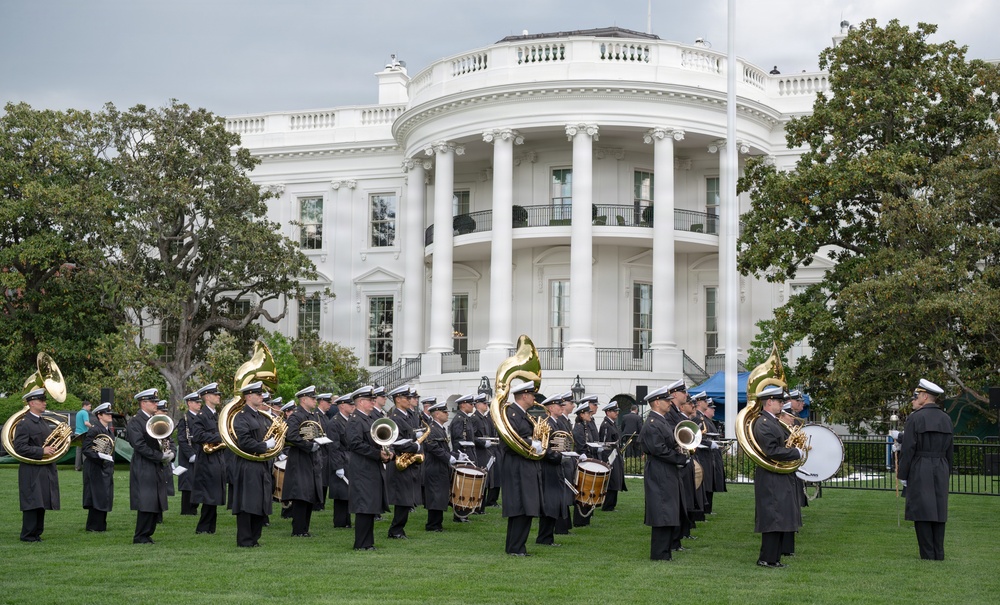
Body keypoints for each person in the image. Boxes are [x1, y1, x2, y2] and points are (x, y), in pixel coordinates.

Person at [501, 380, 559, 556]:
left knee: (524, 507)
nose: (534, 398)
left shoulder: (524, 415)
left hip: (525, 464)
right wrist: (535, 444)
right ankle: (516, 548)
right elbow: (511, 439)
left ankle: (515, 547)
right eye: (532, 394)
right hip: (518, 465)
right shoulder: (511, 414)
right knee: (520, 507)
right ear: (524, 395)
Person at [898, 378, 953, 560]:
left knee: (922, 509)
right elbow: (950, 449)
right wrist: (947, 470)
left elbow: (908, 449)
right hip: (941, 464)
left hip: (921, 464)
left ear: (924, 396)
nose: (915, 399)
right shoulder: (946, 418)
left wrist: (903, 474)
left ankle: (927, 554)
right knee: (938, 509)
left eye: (917, 395)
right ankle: (939, 552)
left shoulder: (915, 418)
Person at [753, 384, 805, 568]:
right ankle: (767, 558)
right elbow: (771, 450)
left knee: (780, 515)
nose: (782, 404)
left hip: (779, 474)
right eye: (779, 401)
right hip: (771, 476)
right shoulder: (764, 423)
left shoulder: (773, 421)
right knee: (773, 516)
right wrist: (796, 453)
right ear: (769, 402)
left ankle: (773, 558)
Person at [640, 385, 688, 561]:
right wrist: (680, 458)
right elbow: (659, 450)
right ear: (657, 402)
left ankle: (665, 551)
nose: (669, 403)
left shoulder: (662, 420)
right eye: (666, 401)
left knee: (668, 510)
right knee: (662, 510)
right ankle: (659, 553)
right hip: (659, 471)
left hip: (666, 470)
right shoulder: (653, 423)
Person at [230, 381, 276, 547]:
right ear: (249, 396)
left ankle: (254, 538)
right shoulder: (241, 416)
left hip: (261, 463)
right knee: (247, 503)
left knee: (259, 502)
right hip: (248, 464)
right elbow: (244, 441)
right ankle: (245, 539)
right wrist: (265, 446)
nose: (261, 396)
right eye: (258, 394)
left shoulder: (259, 416)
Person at [13, 388, 61, 542]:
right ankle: (28, 535)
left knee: (42, 501)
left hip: (44, 468)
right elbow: (19, 447)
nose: (44, 403)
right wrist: (41, 451)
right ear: (32, 403)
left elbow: (48, 443)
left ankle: (36, 533)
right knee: (32, 501)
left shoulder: (42, 422)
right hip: (31, 468)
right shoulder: (24, 423)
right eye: (41, 401)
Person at [347, 386, 391, 551]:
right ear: (360, 402)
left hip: (371, 468)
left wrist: (387, 451)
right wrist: (377, 454)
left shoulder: (369, 419)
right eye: (370, 400)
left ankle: (367, 542)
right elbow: (355, 444)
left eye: (373, 400)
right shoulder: (355, 420)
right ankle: (361, 543)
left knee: (370, 506)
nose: (373, 402)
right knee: (364, 506)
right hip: (362, 469)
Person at [127, 388, 171, 544]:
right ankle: (140, 535)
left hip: (155, 464)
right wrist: (160, 456)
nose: (156, 404)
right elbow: (138, 445)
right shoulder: (135, 421)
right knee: (146, 501)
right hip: (143, 464)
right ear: (143, 403)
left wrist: (166, 451)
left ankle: (147, 534)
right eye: (152, 401)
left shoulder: (153, 419)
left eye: (156, 401)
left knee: (155, 500)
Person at [283, 385, 325, 537]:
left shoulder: (312, 416)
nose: (315, 400)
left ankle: (304, 529)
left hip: (311, 458)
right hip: (300, 458)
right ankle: (298, 529)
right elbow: (291, 436)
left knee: (309, 494)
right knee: (301, 494)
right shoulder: (296, 416)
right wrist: (309, 446)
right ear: (304, 399)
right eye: (313, 398)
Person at [386, 384, 423, 539]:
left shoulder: (408, 415)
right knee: (403, 499)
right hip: (400, 460)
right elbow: (395, 440)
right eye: (407, 398)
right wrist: (413, 445)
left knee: (407, 499)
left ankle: (398, 529)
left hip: (409, 461)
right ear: (398, 399)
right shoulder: (395, 418)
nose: (410, 400)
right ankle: (395, 531)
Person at [190, 382, 227, 534]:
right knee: (209, 495)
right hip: (207, 460)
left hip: (217, 458)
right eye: (215, 394)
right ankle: (203, 528)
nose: (218, 396)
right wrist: (221, 437)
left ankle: (210, 528)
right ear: (206, 396)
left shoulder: (215, 415)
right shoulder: (202, 415)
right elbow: (197, 436)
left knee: (214, 495)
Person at [536, 394, 570, 547]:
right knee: (549, 503)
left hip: (556, 466)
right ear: (550, 408)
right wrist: (557, 457)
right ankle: (544, 538)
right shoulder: (547, 423)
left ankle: (547, 537)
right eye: (558, 405)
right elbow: (544, 447)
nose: (562, 408)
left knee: (554, 502)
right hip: (548, 467)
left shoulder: (556, 423)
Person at [82, 402, 116, 532]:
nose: (110, 415)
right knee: (97, 495)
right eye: (107, 414)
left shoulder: (107, 430)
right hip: (96, 467)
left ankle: (101, 525)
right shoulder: (94, 430)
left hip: (105, 467)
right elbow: (86, 449)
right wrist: (100, 456)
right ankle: (94, 526)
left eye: (110, 413)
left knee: (104, 495)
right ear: (99, 415)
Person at [422, 398, 452, 532]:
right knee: (435, 495)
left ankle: (437, 524)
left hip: (440, 466)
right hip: (434, 466)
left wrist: (455, 456)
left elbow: (443, 448)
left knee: (440, 495)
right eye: (444, 412)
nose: (447, 414)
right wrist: (449, 458)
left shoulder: (440, 428)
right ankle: (432, 524)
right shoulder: (431, 429)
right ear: (437, 414)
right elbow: (432, 447)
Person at [449, 393, 479, 522]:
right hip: (463, 455)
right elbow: (457, 439)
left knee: (467, 486)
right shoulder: (459, 419)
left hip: (469, 454)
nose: (472, 406)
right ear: (462, 405)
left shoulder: (465, 418)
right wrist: (461, 455)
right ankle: (459, 513)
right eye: (470, 404)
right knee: (461, 486)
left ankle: (464, 512)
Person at [572, 400, 601, 527]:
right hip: (583, 461)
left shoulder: (584, 426)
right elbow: (580, 445)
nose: (590, 415)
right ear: (582, 414)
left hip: (587, 458)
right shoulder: (579, 427)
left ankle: (586, 518)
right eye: (588, 413)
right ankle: (580, 520)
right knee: (583, 490)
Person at [329, 394, 354, 529]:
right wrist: (338, 466)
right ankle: (340, 522)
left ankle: (346, 521)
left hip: (349, 458)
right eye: (350, 405)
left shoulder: (349, 420)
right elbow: (333, 447)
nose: (353, 407)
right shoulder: (334, 422)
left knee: (347, 493)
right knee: (341, 494)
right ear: (342, 405)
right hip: (340, 459)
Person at [473, 393, 500, 511]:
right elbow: (472, 436)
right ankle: (478, 506)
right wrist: (483, 443)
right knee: (481, 480)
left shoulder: (483, 418)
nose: (486, 406)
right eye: (484, 404)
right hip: (480, 453)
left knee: (486, 480)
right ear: (478, 405)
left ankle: (481, 507)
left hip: (487, 452)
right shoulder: (474, 418)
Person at [176, 392, 201, 516]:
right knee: (188, 483)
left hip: (199, 454)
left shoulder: (200, 417)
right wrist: (191, 455)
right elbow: (182, 439)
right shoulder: (185, 420)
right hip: (189, 457)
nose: (199, 404)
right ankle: (187, 510)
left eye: (199, 402)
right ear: (189, 403)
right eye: (196, 402)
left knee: (197, 482)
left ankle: (194, 508)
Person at [599, 401, 627, 511]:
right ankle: (608, 505)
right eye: (614, 411)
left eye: (617, 411)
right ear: (607, 412)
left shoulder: (612, 424)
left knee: (616, 479)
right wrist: (607, 460)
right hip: (610, 456)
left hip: (615, 454)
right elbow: (605, 443)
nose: (617, 413)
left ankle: (612, 504)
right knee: (612, 481)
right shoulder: (606, 425)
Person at [700, 398, 726, 513]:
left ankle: (708, 509)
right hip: (705, 455)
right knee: (706, 483)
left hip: (711, 456)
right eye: (712, 408)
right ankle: (705, 509)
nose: (714, 411)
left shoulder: (709, 421)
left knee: (710, 483)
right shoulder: (702, 420)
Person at [74, 399, 93, 471]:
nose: (90, 408)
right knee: (85, 450)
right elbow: (86, 423)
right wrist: (92, 427)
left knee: (78, 451)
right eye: (89, 406)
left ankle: (77, 467)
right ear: (85, 406)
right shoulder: (85, 413)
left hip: (77, 433)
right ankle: (86, 466)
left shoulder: (78, 413)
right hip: (83, 433)